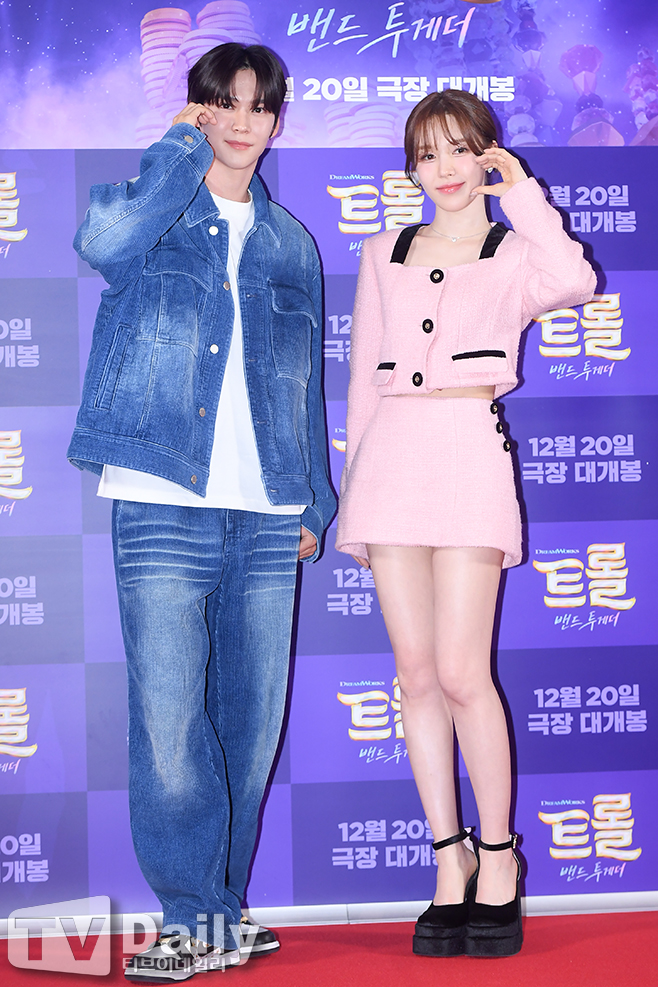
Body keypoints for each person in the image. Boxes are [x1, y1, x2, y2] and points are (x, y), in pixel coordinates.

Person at [68, 43, 336, 983]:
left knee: (251, 725)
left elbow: (304, 386)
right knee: (172, 721)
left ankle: (221, 912)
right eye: (224, 102)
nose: (242, 121)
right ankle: (190, 913)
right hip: (160, 497)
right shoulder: (160, 205)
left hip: (266, 507)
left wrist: (315, 498)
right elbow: (101, 241)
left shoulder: (290, 243)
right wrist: (176, 152)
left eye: (259, 107)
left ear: (277, 121)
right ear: (198, 109)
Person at [336, 89, 595, 958]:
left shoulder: (515, 250)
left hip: (467, 458)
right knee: (414, 674)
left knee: (460, 670)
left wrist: (521, 193)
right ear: (410, 168)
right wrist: (354, 498)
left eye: (459, 149)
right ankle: (448, 861)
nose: (443, 169)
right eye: (426, 154)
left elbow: (576, 281)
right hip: (390, 467)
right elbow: (362, 381)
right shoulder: (383, 250)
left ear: (486, 153)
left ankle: (498, 856)